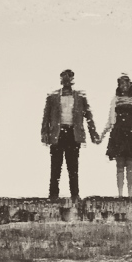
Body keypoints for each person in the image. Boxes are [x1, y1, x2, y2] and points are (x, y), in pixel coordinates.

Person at [41, 69, 100, 201]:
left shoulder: (80, 97)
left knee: (73, 166)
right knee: (56, 166)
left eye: (69, 78)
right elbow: (46, 117)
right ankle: (53, 194)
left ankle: (74, 194)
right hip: (57, 133)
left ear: (72, 80)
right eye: (64, 78)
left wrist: (93, 133)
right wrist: (44, 133)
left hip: (73, 134)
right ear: (61, 80)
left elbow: (88, 116)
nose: (67, 81)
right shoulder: (52, 97)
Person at [100, 75, 132, 198]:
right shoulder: (115, 100)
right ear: (119, 85)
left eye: (126, 83)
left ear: (130, 85)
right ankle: (120, 194)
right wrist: (102, 135)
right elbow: (111, 120)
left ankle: (130, 193)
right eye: (121, 84)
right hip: (119, 133)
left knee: (130, 165)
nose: (124, 86)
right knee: (119, 165)